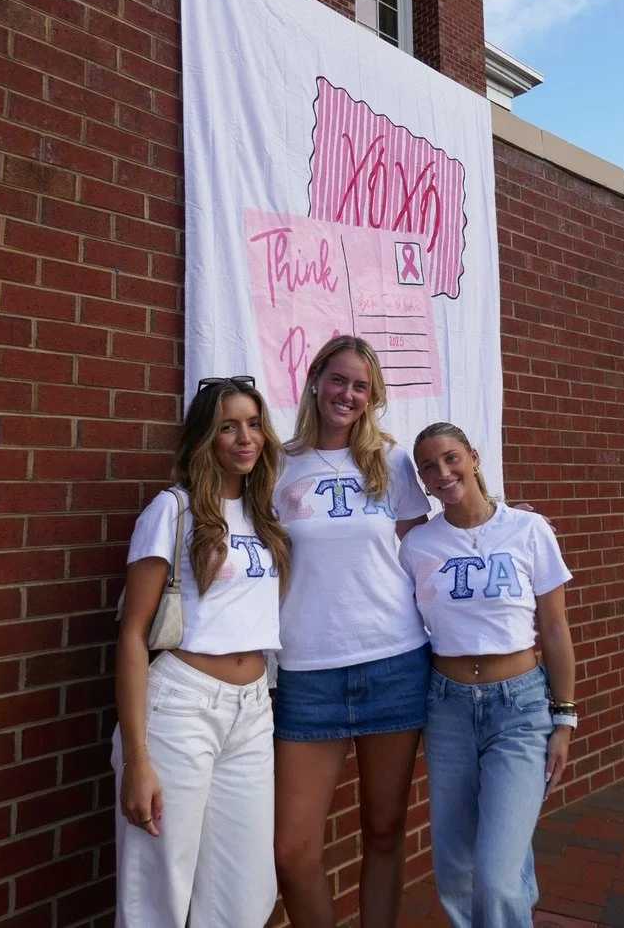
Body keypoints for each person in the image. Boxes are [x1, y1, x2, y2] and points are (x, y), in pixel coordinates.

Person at [112, 376, 289, 928]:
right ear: (204, 437)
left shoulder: (265, 516)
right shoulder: (173, 510)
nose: (245, 437)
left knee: (245, 893)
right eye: (228, 425)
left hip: (254, 710)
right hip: (180, 709)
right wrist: (137, 758)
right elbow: (132, 635)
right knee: (157, 894)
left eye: (254, 424)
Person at [272, 335, 430, 928]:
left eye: (361, 386)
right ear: (315, 380)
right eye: (339, 379)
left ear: (372, 397)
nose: (348, 394)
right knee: (293, 849)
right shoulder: (276, 463)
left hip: (393, 661)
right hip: (307, 673)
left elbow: (423, 555)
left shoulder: (391, 464)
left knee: (385, 831)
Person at [399, 422, 576, 928]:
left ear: (473, 458)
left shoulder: (527, 529)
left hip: (520, 706)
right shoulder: (418, 546)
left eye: (451, 458)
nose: (443, 472)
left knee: (496, 875)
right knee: (456, 868)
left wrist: (564, 718)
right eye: (429, 467)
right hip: (448, 707)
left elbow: (556, 629)